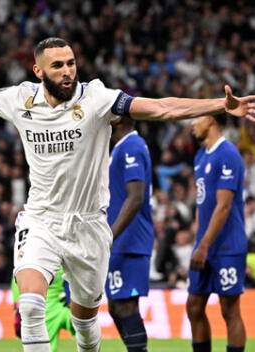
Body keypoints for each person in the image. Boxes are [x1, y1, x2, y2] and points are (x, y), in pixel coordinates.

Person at [0, 37, 255, 352]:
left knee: (86, 322)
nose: (66, 70)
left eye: (71, 62)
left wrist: (219, 104)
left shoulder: (97, 99)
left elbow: (160, 108)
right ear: (38, 69)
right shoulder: (19, 99)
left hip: (90, 225)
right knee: (29, 306)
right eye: (57, 64)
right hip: (40, 219)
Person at [187, 115, 247, 352]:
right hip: (204, 244)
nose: (192, 124)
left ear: (211, 121)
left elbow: (224, 206)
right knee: (194, 306)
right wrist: (198, 241)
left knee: (229, 310)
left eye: (196, 119)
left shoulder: (228, 154)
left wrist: (204, 245)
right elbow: (202, 204)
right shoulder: (200, 156)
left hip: (227, 246)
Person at [106, 116, 154, 351]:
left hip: (129, 239)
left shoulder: (131, 147)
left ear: (121, 119)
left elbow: (136, 197)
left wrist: (111, 235)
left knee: (125, 305)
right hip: (121, 241)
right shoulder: (121, 148)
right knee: (115, 305)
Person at [12, 267, 76, 352]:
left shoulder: (29, 264)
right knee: (87, 333)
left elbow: (17, 283)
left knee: (87, 332)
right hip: (55, 308)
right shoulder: (62, 261)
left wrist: (18, 308)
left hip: (48, 309)